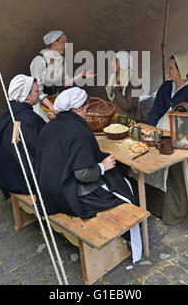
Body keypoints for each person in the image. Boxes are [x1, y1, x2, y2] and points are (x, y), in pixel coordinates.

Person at [34, 87, 142, 262]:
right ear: (77, 109)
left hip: (47, 191)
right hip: (68, 197)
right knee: (124, 190)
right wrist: (102, 166)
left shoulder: (50, 126)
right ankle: (132, 243)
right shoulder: (79, 132)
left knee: (116, 178)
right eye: (86, 105)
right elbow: (83, 174)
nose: (88, 108)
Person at [140, 54, 188, 226]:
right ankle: (152, 205)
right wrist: (154, 132)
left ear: (182, 70)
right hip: (163, 134)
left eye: (171, 68)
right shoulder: (166, 86)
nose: (168, 71)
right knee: (147, 157)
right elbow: (155, 112)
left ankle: (173, 212)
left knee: (174, 164)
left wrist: (175, 141)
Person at [0, 75, 46, 199]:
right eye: (36, 91)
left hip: (6, 173)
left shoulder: (8, 111)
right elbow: (43, 147)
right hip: (21, 180)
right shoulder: (29, 119)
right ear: (27, 95)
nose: (39, 93)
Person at [30, 30, 95, 121]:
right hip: (41, 103)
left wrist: (80, 75)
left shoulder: (61, 61)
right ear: (54, 43)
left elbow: (64, 83)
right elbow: (38, 91)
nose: (66, 45)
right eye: (63, 42)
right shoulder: (39, 61)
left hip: (55, 99)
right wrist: (52, 107)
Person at [105, 51, 144, 121]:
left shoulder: (134, 81)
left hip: (130, 120)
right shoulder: (114, 77)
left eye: (113, 62)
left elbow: (129, 106)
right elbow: (111, 98)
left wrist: (116, 89)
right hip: (117, 118)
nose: (111, 64)